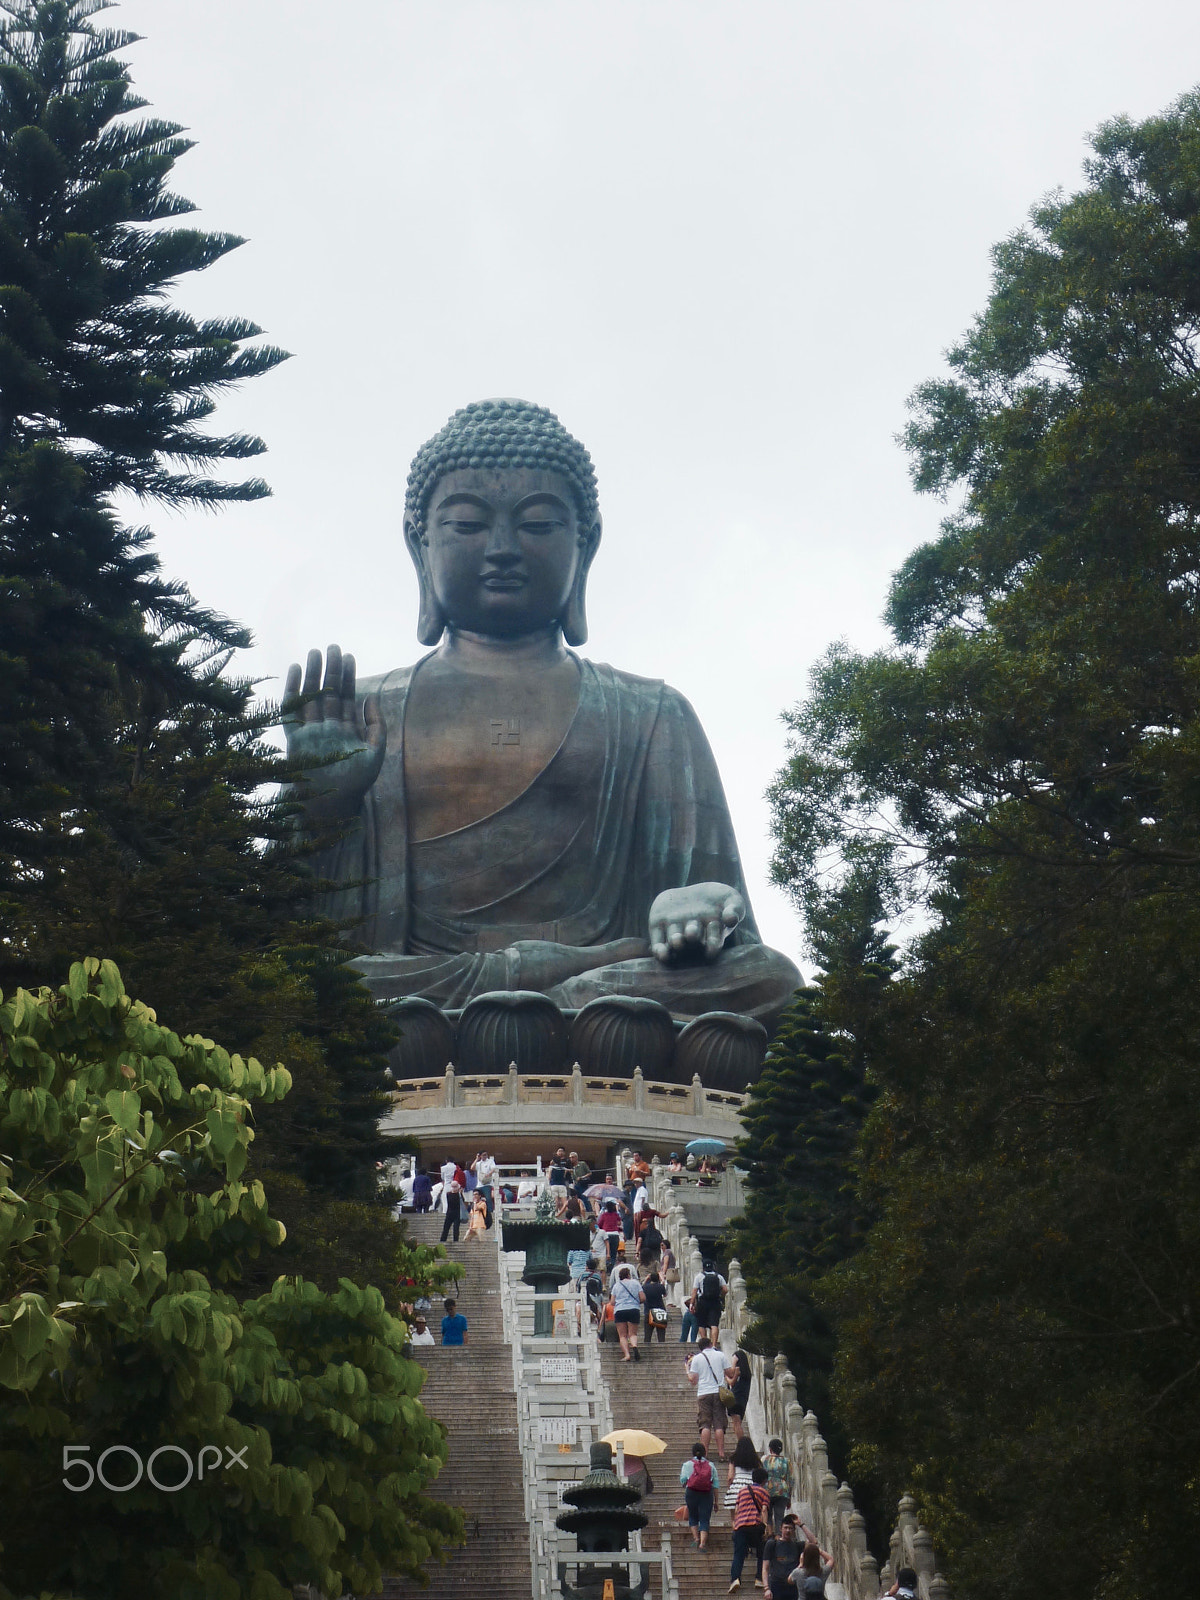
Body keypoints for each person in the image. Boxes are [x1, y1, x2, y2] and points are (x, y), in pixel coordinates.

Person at [728, 1465, 771, 1593]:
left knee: (738, 1554)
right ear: (764, 1480)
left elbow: (737, 1510)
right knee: (761, 1552)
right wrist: (766, 1528)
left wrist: (735, 1524)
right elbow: (763, 1510)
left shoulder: (742, 1491)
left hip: (740, 1525)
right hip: (755, 1525)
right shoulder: (764, 1492)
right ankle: (759, 1579)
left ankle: (735, 1579)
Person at [687, 1336, 728, 1460]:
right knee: (719, 1425)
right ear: (711, 1344)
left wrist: (686, 1369)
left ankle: (704, 1454)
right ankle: (721, 1454)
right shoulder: (720, 1355)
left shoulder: (697, 1359)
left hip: (704, 1393)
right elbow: (729, 1372)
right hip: (718, 1393)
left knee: (705, 1424)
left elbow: (693, 1380)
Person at [680, 1442, 716, 1551]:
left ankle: (696, 1538)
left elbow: (683, 1481)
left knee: (693, 1515)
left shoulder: (687, 1465)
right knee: (705, 1518)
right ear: (705, 1453)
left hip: (691, 1492)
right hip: (707, 1493)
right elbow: (715, 1484)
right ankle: (702, 1543)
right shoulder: (711, 1465)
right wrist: (716, 1501)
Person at [762, 1513, 802, 1599]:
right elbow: (765, 1568)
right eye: (785, 1528)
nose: (788, 1530)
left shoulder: (798, 1545)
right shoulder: (772, 1544)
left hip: (793, 1586)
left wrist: (801, 1525)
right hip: (776, 1585)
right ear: (781, 1529)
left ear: (794, 1530)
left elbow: (814, 1542)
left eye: (790, 1528)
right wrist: (766, 1588)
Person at [611, 1263, 645, 1361]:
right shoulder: (635, 1283)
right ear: (629, 1275)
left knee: (622, 1335)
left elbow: (612, 1302)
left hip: (620, 1310)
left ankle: (627, 1355)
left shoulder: (616, 1286)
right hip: (633, 1309)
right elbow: (642, 1297)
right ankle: (634, 1345)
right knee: (633, 1334)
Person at [724, 1433, 762, 1513]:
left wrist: (730, 1488)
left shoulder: (733, 1458)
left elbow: (730, 1477)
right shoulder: (756, 1460)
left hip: (736, 1488)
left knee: (734, 1519)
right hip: (752, 1488)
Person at [693, 1260, 727, 1342]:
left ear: (703, 1267)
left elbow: (694, 1291)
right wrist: (720, 1295)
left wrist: (692, 1303)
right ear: (713, 1267)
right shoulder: (719, 1276)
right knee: (714, 1324)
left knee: (701, 1324)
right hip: (715, 1302)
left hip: (703, 1302)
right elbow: (725, 1289)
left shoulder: (699, 1276)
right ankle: (714, 1345)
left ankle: (704, 1344)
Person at [763, 1437, 791, 1534]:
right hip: (782, 1491)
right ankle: (779, 1536)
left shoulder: (765, 1459)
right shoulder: (787, 1461)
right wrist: (789, 1498)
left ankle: (770, 1535)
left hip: (767, 1490)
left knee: (769, 1515)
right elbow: (789, 1480)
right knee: (780, 1516)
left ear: (770, 1449)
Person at [724, 1348, 753, 1441]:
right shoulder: (746, 1373)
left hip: (734, 1399)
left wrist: (726, 1377)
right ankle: (740, 1444)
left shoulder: (737, 1370)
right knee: (737, 1423)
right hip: (742, 1400)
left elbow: (731, 1382)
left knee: (736, 1423)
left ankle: (741, 1444)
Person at [641, 1267, 669, 1342]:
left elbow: (641, 1287)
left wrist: (646, 1279)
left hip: (648, 1311)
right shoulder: (660, 1287)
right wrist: (662, 1280)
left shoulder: (645, 1287)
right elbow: (665, 1295)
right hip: (660, 1311)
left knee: (647, 1334)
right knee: (661, 1334)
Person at [597, 1198, 624, 1268]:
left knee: (606, 1252)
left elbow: (599, 1225)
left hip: (606, 1235)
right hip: (615, 1235)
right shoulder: (616, 1215)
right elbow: (619, 1223)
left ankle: (607, 1266)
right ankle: (611, 1267)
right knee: (613, 1253)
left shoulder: (603, 1215)